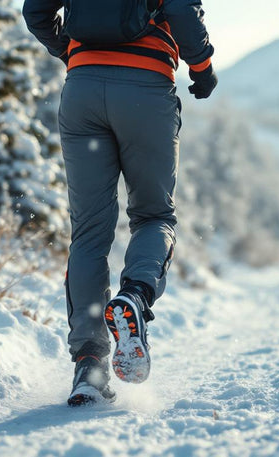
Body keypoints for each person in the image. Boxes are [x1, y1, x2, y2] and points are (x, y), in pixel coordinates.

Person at [22, 0, 217, 406]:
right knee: (154, 216)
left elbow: (35, 11)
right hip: (145, 92)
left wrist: (71, 51)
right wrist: (202, 67)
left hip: (82, 92)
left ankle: (89, 366)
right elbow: (181, 10)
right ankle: (135, 297)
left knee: (89, 232)